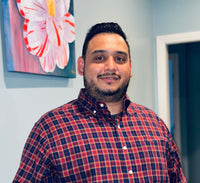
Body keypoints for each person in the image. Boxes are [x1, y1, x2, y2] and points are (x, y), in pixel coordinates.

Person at [13, 22, 187, 182]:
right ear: (81, 66)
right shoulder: (50, 129)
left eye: (120, 59)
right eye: (99, 58)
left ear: (130, 68)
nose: (111, 66)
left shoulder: (154, 124)